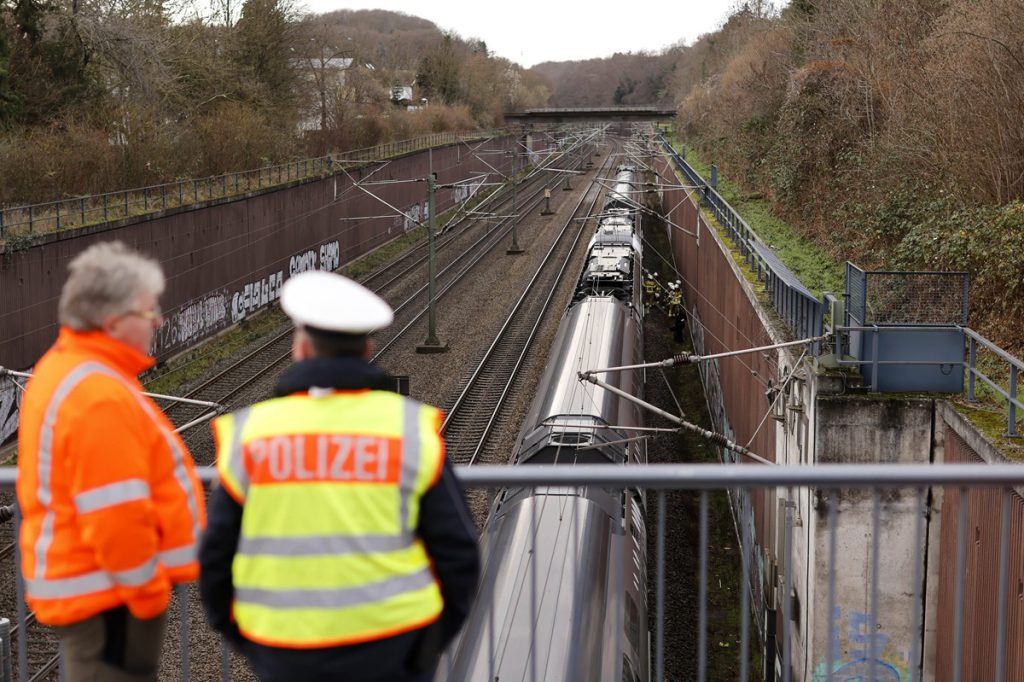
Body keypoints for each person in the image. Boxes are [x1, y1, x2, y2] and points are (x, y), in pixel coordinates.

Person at [199, 271, 479, 682]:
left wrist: (252, 642)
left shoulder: (251, 434)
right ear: (367, 348)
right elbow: (459, 553)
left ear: (300, 348)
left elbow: (215, 560)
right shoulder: (409, 429)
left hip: (284, 652)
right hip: (392, 647)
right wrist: (426, 646)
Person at [16, 241, 206, 682]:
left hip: (104, 595)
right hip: (111, 600)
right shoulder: (96, 395)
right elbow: (115, 512)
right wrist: (150, 595)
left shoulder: (76, 370)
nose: (158, 321)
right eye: (148, 312)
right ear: (112, 320)